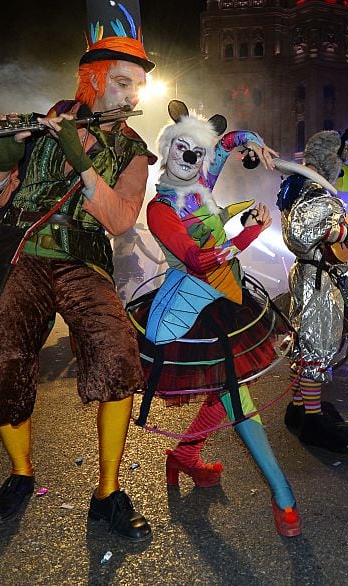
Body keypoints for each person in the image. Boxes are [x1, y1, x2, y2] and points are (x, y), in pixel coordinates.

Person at [0, 0, 155, 540]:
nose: (131, 96)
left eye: (136, 86)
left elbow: (122, 220)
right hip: (24, 255)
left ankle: (109, 491)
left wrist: (83, 163)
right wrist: (0, 165)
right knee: (6, 363)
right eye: (122, 83)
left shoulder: (132, 150)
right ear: (95, 79)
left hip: (83, 263)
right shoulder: (42, 123)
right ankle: (20, 474)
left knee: (119, 354)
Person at [127, 105, 301, 536]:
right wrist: (249, 233)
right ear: (166, 154)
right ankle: (284, 497)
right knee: (235, 398)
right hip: (195, 309)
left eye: (197, 153)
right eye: (181, 149)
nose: (190, 158)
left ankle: (184, 457)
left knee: (221, 386)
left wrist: (256, 144)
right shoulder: (161, 209)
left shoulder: (202, 181)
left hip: (233, 297)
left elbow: (230, 140)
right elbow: (198, 259)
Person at [277, 129, 348, 453]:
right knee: (318, 347)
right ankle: (313, 420)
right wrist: (345, 230)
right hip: (318, 279)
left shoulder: (297, 187)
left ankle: (300, 409)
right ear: (332, 160)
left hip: (311, 274)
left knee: (306, 346)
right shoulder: (317, 192)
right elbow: (299, 233)